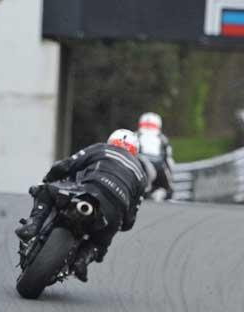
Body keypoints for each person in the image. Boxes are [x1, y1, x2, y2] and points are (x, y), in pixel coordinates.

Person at [15, 130, 147, 282]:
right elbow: (130, 219)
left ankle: (32, 225)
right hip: (114, 211)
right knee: (100, 242)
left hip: (90, 189)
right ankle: (82, 260)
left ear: (111, 141)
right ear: (134, 150)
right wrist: (119, 224)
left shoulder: (102, 149)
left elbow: (66, 165)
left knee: (46, 191)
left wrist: (48, 179)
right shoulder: (141, 175)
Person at [136, 112, 174, 201]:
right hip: (159, 168)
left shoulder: (135, 136)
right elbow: (169, 161)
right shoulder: (163, 139)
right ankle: (160, 193)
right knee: (169, 190)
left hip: (139, 167)